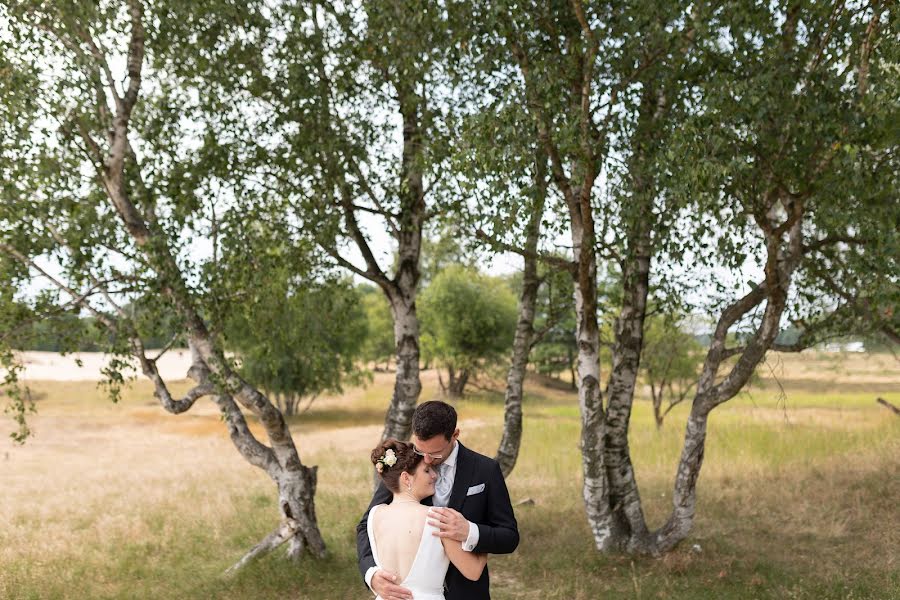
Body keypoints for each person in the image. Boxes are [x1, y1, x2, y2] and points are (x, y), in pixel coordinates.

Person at [357, 401, 519, 600]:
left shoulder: (485, 470)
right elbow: (367, 525)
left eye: (434, 453)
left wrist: (471, 532)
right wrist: (370, 574)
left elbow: (509, 537)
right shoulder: (406, 466)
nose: (425, 459)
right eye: (419, 449)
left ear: (454, 435)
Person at [365, 439, 487, 600]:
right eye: (427, 470)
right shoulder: (438, 517)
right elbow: (473, 571)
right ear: (406, 478)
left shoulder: (375, 514)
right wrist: (480, 527)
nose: (435, 475)